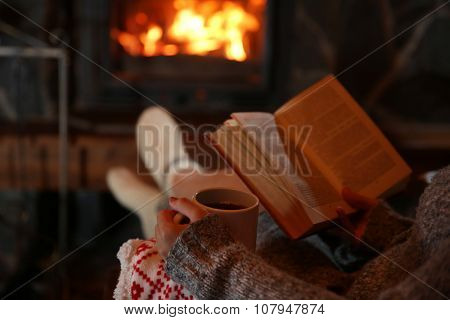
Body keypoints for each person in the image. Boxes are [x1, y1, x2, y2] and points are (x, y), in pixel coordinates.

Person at [109, 107, 450, 299]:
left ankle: (172, 183)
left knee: (244, 201)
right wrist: (378, 230)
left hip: (315, 289)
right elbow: (429, 251)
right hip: (354, 267)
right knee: (266, 197)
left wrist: (206, 257)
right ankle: (175, 182)